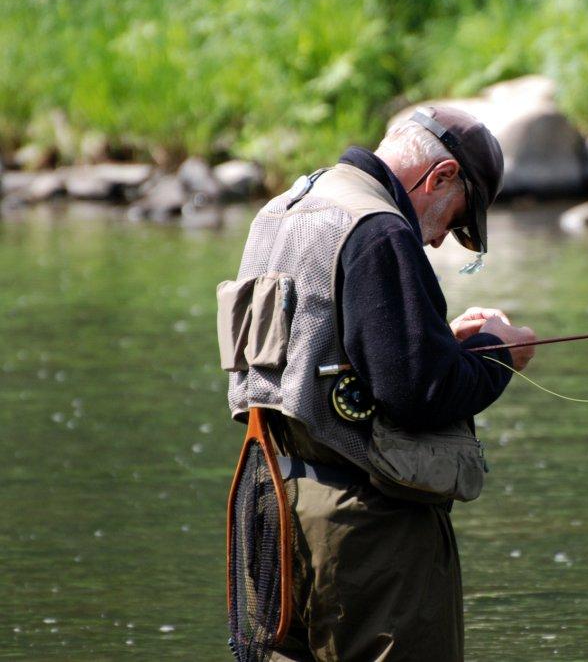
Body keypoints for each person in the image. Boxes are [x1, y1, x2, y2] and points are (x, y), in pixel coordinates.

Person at [224, 106, 535, 661]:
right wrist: (501, 351)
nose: (440, 241)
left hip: (269, 501)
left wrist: (434, 337)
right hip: (360, 526)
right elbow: (422, 393)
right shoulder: (380, 230)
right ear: (440, 177)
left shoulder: (283, 210)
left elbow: (321, 352)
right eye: (457, 219)